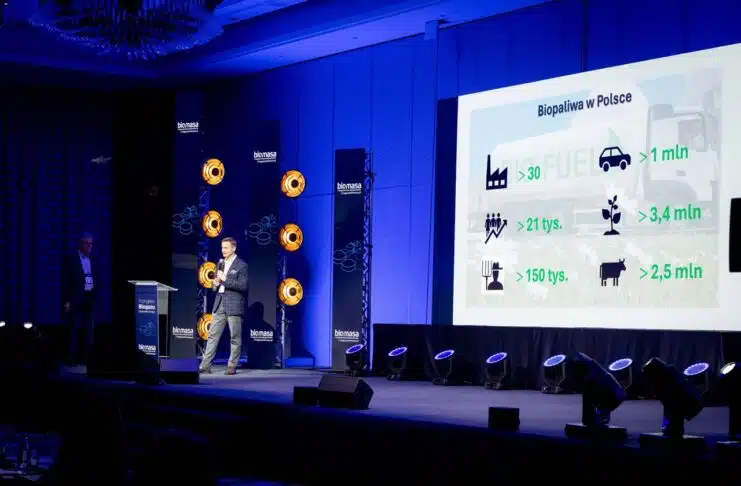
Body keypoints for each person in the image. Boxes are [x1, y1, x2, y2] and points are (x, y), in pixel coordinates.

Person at [199, 236, 248, 375]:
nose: (223, 250)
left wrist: (225, 279)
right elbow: (215, 286)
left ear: (234, 248)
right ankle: (205, 365)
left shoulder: (241, 265)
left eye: (226, 247)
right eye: (222, 247)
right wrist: (214, 284)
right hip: (219, 303)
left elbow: (243, 286)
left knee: (235, 337)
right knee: (212, 335)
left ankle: (232, 366)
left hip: (234, 305)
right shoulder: (219, 263)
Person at [61, 232, 96, 366]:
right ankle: (71, 359)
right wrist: (67, 300)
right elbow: (66, 281)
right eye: (87, 244)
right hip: (75, 298)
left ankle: (86, 358)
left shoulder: (92, 259)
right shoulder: (72, 259)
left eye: (91, 244)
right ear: (81, 244)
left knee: (88, 330)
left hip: (89, 297)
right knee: (73, 329)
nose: (90, 246)